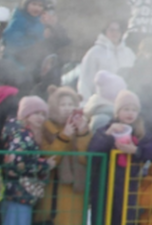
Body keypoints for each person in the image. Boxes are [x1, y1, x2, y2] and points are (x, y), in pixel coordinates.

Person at [86, 90, 152, 225]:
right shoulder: (106, 129)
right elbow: (93, 151)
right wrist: (108, 136)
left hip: (128, 190)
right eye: (126, 109)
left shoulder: (140, 133)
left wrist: (137, 150)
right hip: (103, 188)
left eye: (134, 110)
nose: (130, 113)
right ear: (117, 112)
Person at [35, 87, 90, 225]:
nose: (67, 108)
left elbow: (86, 158)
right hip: (54, 187)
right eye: (63, 105)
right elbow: (50, 157)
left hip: (77, 188)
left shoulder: (83, 127)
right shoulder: (47, 127)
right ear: (54, 107)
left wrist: (83, 133)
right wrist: (64, 135)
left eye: (71, 105)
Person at [1, 96, 54, 225]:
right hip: (19, 194)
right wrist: (45, 165)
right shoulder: (22, 134)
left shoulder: (24, 132)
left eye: (43, 114)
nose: (40, 117)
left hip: (18, 192)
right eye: (36, 113)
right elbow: (17, 163)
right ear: (25, 114)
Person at [75, 21, 135, 99]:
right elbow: (85, 81)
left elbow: (135, 79)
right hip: (101, 102)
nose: (115, 33)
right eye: (111, 30)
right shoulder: (94, 52)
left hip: (124, 102)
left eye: (118, 30)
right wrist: (85, 102)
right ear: (105, 32)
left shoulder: (129, 53)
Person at [1, 0, 49, 73]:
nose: (37, 8)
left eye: (40, 5)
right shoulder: (18, 20)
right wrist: (35, 42)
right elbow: (12, 42)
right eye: (34, 4)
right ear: (26, 4)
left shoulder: (39, 21)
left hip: (32, 63)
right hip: (15, 63)